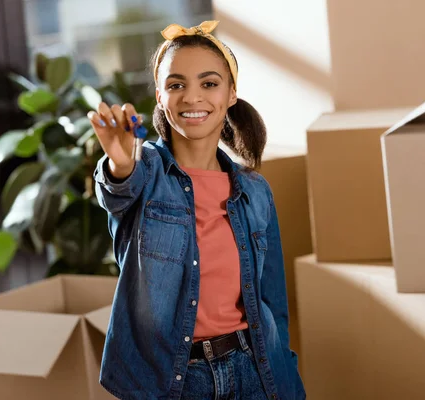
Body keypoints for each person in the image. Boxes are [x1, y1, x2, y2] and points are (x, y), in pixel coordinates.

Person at [89, 20, 305, 400]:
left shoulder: (255, 190)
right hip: (177, 381)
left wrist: (285, 377)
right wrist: (121, 164)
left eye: (209, 83)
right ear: (160, 96)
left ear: (231, 93)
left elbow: (274, 304)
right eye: (176, 85)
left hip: (253, 370)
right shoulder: (147, 171)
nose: (192, 98)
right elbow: (118, 191)